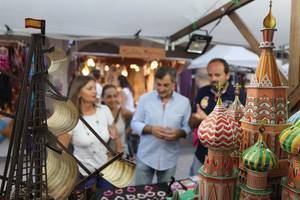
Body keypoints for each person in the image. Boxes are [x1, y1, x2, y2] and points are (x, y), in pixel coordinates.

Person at [58, 75, 122, 198]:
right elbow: (62, 151)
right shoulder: (72, 118)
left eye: (95, 88)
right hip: (83, 175)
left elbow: (116, 136)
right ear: (79, 92)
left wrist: (117, 160)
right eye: (90, 88)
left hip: (107, 173)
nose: (95, 91)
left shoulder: (104, 111)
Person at [131, 66, 191, 185]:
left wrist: (178, 133)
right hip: (145, 156)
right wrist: (151, 129)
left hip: (169, 158)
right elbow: (134, 123)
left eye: (166, 85)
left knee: (165, 195)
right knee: (140, 194)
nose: (161, 89)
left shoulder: (184, 102)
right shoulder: (145, 99)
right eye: (158, 84)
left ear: (174, 83)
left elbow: (188, 127)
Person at [189, 58, 246, 176]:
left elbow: (241, 126)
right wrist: (194, 119)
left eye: (217, 75)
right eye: (210, 75)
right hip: (201, 154)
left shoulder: (238, 94)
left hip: (227, 157)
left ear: (227, 75)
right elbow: (191, 124)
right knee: (196, 188)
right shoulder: (202, 92)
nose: (213, 79)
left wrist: (205, 119)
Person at [102, 84, 133, 157]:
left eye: (115, 96)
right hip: (103, 158)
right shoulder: (98, 113)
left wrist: (126, 132)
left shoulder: (123, 112)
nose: (113, 99)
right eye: (109, 97)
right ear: (102, 98)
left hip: (121, 156)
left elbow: (136, 121)